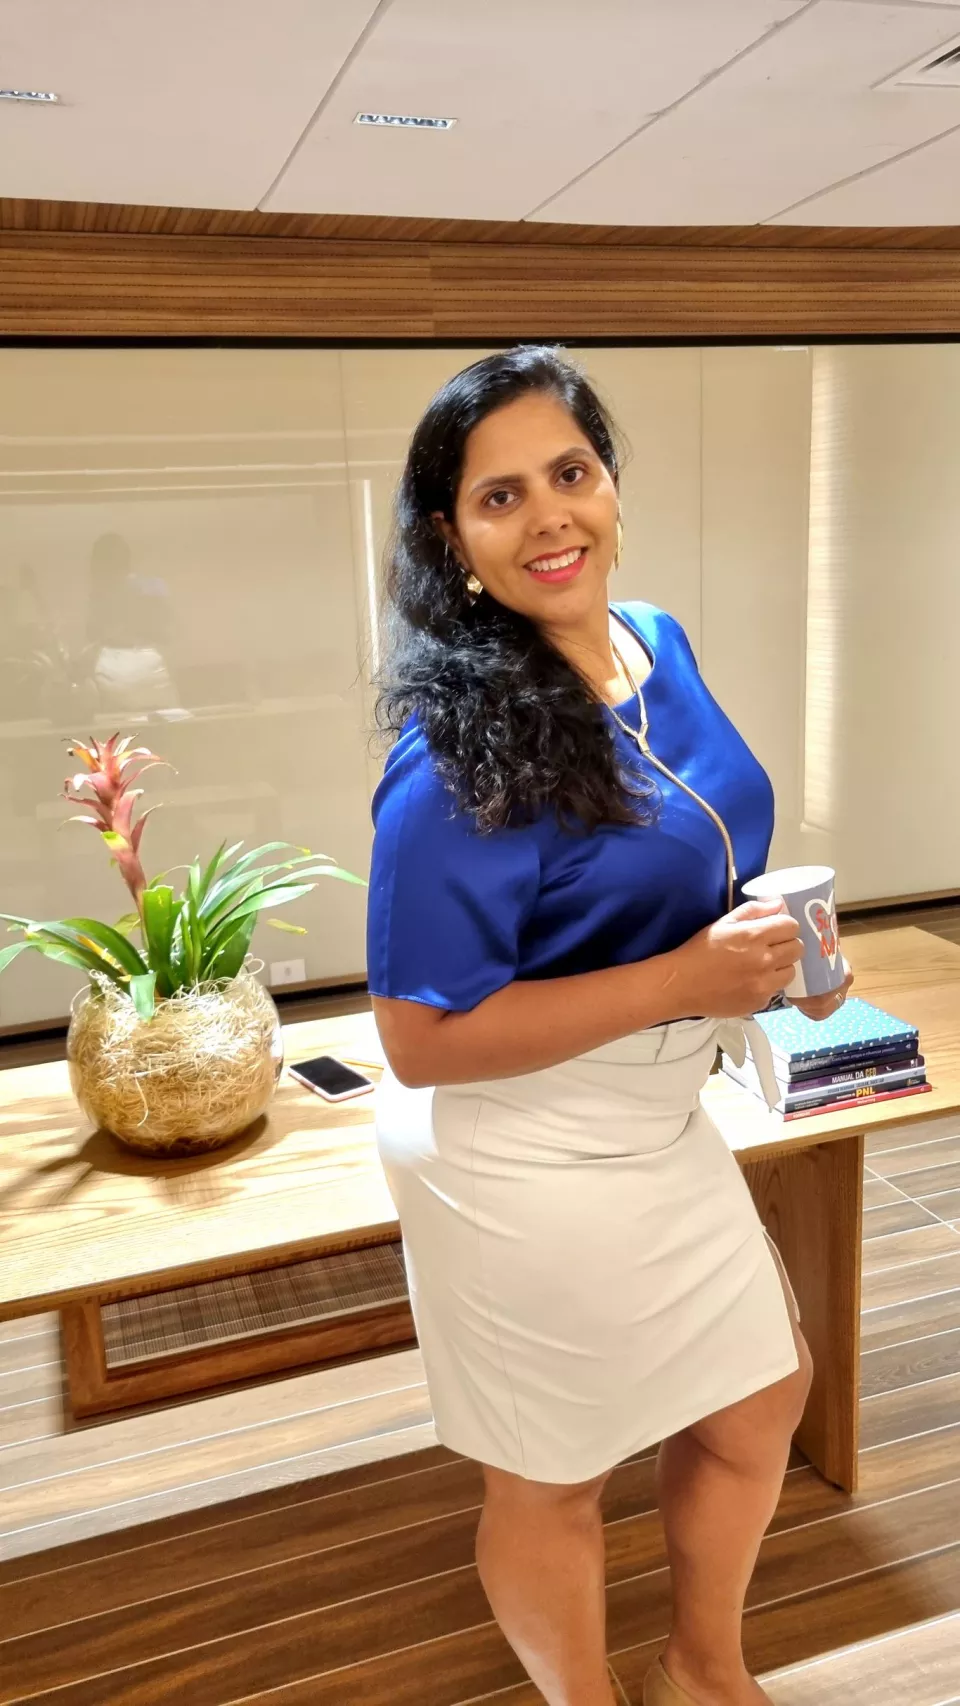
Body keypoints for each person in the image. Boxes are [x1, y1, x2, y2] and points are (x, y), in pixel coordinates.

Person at [366, 347, 853, 1706]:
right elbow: (419, 1039)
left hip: (659, 1109)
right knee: (553, 1469)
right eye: (500, 497)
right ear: (453, 543)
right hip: (517, 1141)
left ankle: (703, 1670)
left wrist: (781, 950)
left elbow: (698, 840)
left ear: (612, 483)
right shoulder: (452, 758)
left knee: (760, 1395)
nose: (549, 518)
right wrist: (687, 980)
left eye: (569, 472)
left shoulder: (659, 643)